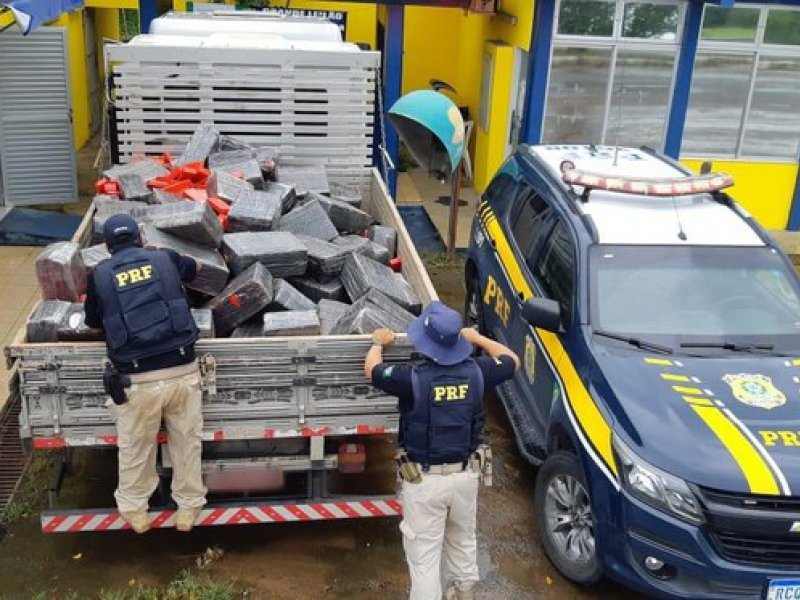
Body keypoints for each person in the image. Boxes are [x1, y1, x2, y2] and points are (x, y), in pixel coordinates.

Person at [365, 301, 519, 600]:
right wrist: (477, 338)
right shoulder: (478, 373)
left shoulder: (410, 378)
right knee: (462, 543)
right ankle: (461, 594)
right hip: (465, 479)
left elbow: (372, 369)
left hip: (424, 483)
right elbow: (512, 360)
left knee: (424, 557)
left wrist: (376, 342)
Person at [85, 214, 207, 534]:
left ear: (107, 246)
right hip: (183, 372)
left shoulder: (99, 275)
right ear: (140, 237)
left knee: (136, 447)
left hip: (136, 380)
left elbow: (94, 323)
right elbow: (196, 268)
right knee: (187, 443)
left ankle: (135, 510)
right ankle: (189, 507)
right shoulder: (163, 258)